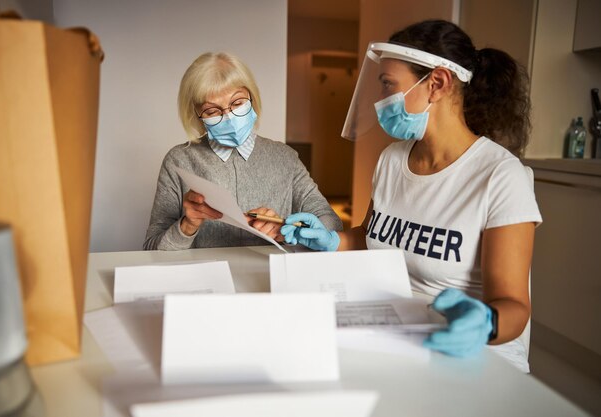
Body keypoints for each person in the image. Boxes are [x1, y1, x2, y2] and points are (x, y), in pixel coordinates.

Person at [281, 20, 542, 372]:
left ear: (436, 83)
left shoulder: (500, 176)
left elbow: (513, 307)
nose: (380, 101)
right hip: (392, 333)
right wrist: (331, 240)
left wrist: (487, 323)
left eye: (389, 85)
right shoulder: (392, 159)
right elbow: (370, 238)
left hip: (467, 350)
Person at [144, 52, 341, 250]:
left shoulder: (285, 157)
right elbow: (152, 248)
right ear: (197, 116)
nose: (229, 117)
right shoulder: (179, 160)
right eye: (212, 111)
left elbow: (331, 224)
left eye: (237, 103)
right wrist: (187, 225)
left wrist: (286, 229)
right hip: (206, 279)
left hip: (270, 276)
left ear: (252, 98)